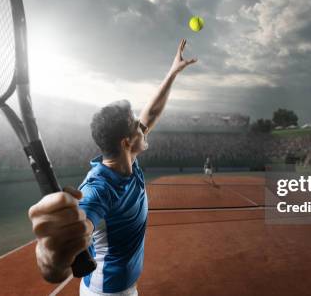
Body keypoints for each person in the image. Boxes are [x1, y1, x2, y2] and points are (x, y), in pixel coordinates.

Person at [27, 39, 196, 295]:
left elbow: (151, 113)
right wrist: (52, 254)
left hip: (120, 288)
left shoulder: (126, 162)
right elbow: (65, 249)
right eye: (136, 125)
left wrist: (173, 72)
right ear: (127, 142)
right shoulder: (99, 188)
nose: (143, 125)